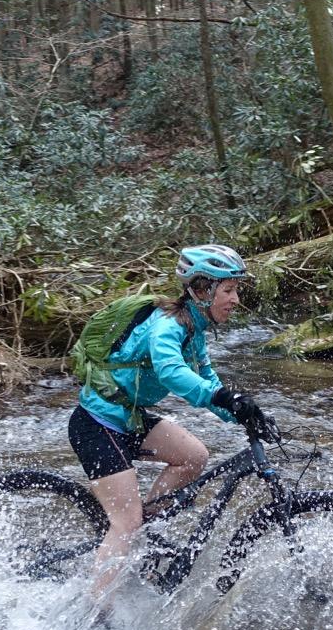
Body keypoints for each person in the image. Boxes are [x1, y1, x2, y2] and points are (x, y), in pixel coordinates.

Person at [68, 244, 270, 600]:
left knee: (193, 456)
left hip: (129, 418)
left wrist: (241, 412)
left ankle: (144, 536)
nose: (236, 299)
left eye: (236, 289)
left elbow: (207, 380)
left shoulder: (196, 329)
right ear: (201, 289)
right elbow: (171, 372)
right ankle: (94, 611)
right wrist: (218, 397)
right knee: (124, 523)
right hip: (97, 424)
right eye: (228, 290)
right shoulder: (167, 326)